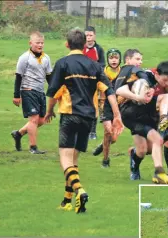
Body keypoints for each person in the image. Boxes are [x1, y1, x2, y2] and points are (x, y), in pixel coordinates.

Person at [45, 28, 124, 213]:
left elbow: (53, 92)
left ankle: (79, 190)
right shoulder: (95, 66)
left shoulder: (63, 63)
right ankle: (66, 201)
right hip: (88, 119)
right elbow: (109, 90)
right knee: (74, 159)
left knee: (65, 159)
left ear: (67, 44)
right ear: (84, 45)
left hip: (69, 115)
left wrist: (49, 111)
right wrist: (117, 115)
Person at [114, 49, 168, 184]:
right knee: (165, 98)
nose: (167, 83)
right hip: (131, 114)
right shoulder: (139, 76)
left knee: (144, 150)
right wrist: (138, 96)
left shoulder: (154, 80)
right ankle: (157, 173)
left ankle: (153, 169)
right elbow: (119, 90)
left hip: (144, 114)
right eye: (165, 80)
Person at [10, 31, 52, 154]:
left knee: (41, 120)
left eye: (42, 43)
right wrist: (16, 95)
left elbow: (49, 76)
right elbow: (18, 77)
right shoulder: (24, 58)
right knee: (33, 119)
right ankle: (33, 148)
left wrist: (55, 91)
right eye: (37, 43)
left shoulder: (46, 58)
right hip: (28, 90)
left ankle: (18, 134)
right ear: (31, 43)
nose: (40, 45)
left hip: (40, 91)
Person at [92, 48, 122, 168]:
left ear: (120, 59)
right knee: (108, 132)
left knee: (113, 138)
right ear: (107, 59)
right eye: (111, 58)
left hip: (118, 105)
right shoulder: (102, 72)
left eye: (116, 58)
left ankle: (103, 144)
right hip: (104, 104)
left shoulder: (123, 72)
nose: (114, 60)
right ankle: (105, 160)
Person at [83, 26, 105, 140]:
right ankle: (82, 130)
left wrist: (92, 67)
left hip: (93, 81)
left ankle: (92, 131)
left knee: (94, 105)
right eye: (86, 35)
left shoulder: (99, 49)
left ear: (94, 36)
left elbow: (102, 64)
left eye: (90, 35)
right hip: (81, 81)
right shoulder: (81, 48)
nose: (88, 37)